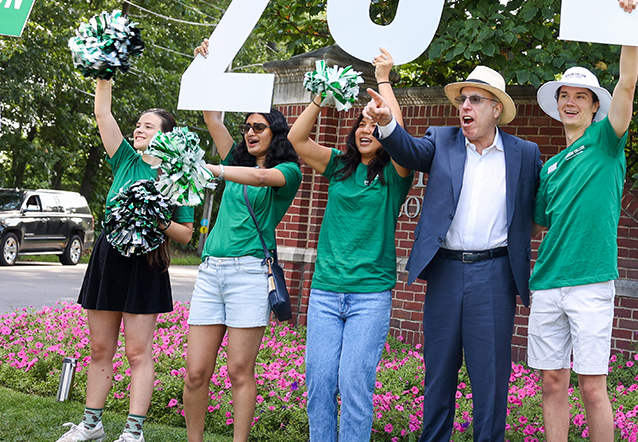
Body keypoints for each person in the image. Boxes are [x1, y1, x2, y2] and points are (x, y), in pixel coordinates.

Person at [363, 64, 541, 442]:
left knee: (490, 384)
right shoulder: (441, 140)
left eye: (476, 99)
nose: (466, 106)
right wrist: (386, 124)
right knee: (438, 376)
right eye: (463, 99)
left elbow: (543, 203)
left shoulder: (525, 154)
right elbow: (408, 150)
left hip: (495, 277)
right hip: (445, 273)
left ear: (496, 108)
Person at [58, 78, 195, 442]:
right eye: (137, 123)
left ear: (166, 136)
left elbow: (185, 233)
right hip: (109, 258)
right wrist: (104, 76)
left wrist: (154, 217)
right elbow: (103, 112)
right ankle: (91, 425)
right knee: (100, 348)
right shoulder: (125, 159)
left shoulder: (177, 177)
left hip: (147, 264)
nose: (138, 128)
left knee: (138, 351)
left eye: (147, 125)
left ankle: (133, 433)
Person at [288, 49, 414, 442]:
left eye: (374, 125)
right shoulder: (338, 166)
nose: (366, 129)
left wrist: (383, 80)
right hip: (325, 292)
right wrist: (320, 96)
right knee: (320, 383)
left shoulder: (395, 174)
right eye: (361, 123)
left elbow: (401, 134)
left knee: (355, 386)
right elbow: (295, 138)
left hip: (370, 296)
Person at [529, 0, 638, 442]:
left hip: (592, 281)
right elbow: (536, 226)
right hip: (547, 283)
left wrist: (630, 29)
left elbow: (628, 86)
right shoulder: (548, 167)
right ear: (557, 106)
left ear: (596, 106)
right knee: (552, 382)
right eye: (565, 96)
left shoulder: (605, 142)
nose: (571, 102)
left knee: (592, 386)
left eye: (581, 97)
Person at [183, 39, 303, 442]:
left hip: (251, 274)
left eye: (258, 127)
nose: (249, 133)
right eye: (246, 127)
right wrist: (209, 65)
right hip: (211, 271)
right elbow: (211, 113)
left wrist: (216, 168)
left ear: (275, 132)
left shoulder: (287, 170)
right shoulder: (234, 156)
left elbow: (259, 177)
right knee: (196, 371)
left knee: (239, 371)